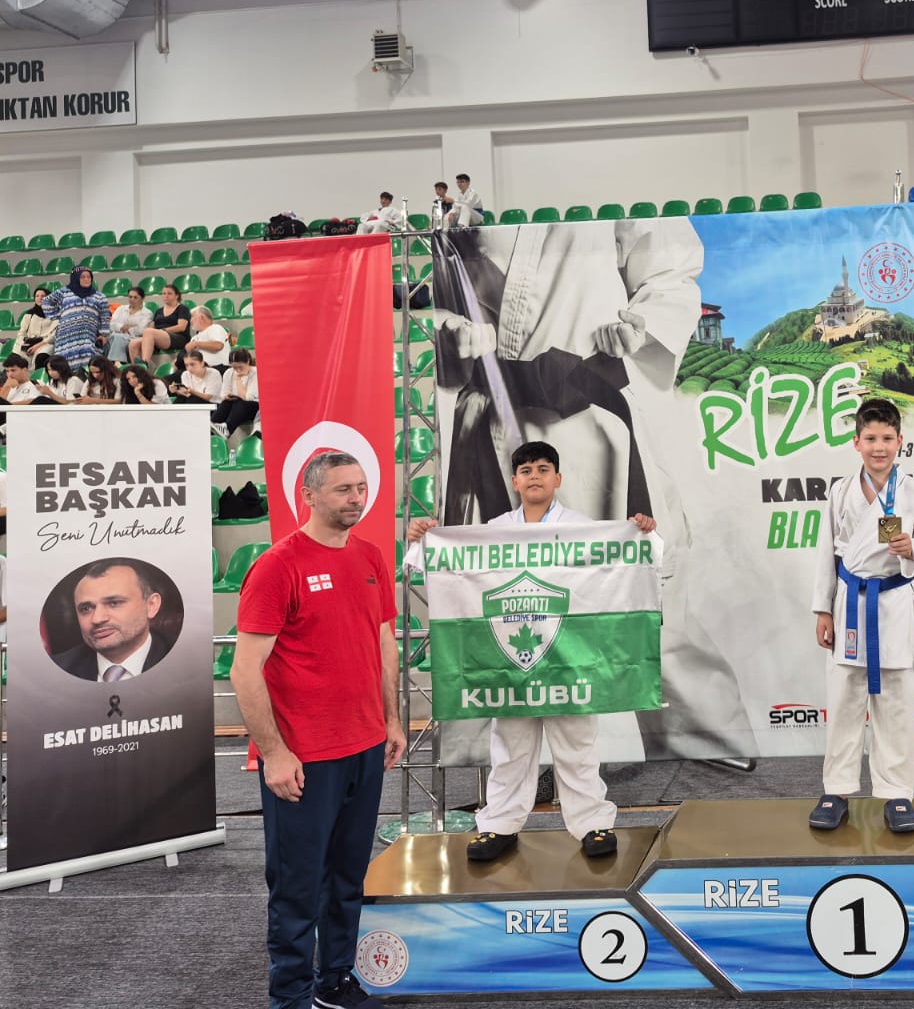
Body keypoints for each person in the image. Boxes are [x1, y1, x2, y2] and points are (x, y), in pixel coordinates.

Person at [431, 216, 754, 760]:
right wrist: (448, 330)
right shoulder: (465, 209)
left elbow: (670, 268)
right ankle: (494, 759)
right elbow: (441, 296)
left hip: (592, 415)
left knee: (649, 595)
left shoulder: (604, 195)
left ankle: (706, 746)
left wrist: (642, 323)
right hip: (493, 422)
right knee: (497, 601)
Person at [406, 441, 644, 861]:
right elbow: (448, 567)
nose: (535, 476)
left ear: (558, 478)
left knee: (577, 746)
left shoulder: (581, 528)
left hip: (567, 655)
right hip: (511, 659)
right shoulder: (495, 530)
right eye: (527, 470)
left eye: (543, 469)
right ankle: (499, 825)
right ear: (515, 481)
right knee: (510, 748)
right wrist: (427, 539)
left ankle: (592, 823)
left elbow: (618, 564)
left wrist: (639, 532)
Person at [233, 452, 404, 1009]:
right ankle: (290, 997)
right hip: (304, 757)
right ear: (308, 495)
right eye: (342, 489)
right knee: (297, 886)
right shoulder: (277, 566)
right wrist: (275, 752)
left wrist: (391, 719)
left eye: (361, 487)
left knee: (347, 877)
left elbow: (382, 643)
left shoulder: (371, 556)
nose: (356, 498)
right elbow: (245, 671)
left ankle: (334, 981)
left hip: (365, 746)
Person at [809, 397, 914, 833]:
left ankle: (897, 793)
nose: (879, 447)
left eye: (887, 438)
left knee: (897, 703)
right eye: (870, 438)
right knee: (844, 700)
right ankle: (836, 790)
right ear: (856, 442)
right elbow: (826, 552)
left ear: (900, 441)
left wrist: (913, 549)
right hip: (850, 602)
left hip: (893, 603)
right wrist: (822, 608)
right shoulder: (840, 491)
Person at [51, 559, 171, 681]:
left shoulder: (180, 660)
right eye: (86, 609)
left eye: (114, 603)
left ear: (151, 605)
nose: (97, 619)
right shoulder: (55, 671)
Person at [42, 265, 110, 370]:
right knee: (64, 368)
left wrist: (104, 335)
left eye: (89, 277)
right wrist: (59, 315)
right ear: (75, 278)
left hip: (87, 338)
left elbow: (104, 317)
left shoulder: (100, 297)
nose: (86, 279)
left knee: (87, 366)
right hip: (65, 338)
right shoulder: (64, 292)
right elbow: (46, 301)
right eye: (83, 277)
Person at [131, 284, 190, 365]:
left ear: (177, 296)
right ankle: (137, 368)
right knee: (133, 343)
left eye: (169, 293)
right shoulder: (159, 311)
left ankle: (145, 362)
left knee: (149, 332)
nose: (166, 296)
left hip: (178, 337)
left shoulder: (182, 309)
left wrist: (163, 330)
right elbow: (152, 326)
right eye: (164, 293)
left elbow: (181, 327)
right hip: (158, 336)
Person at [213, 347, 260, 436]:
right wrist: (227, 396)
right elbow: (223, 396)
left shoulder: (256, 373)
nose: (238, 370)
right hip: (235, 405)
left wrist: (238, 379)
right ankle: (211, 429)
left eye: (240, 367)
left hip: (253, 407)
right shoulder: (228, 373)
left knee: (240, 402)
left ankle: (227, 429)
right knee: (227, 402)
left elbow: (247, 398)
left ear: (248, 362)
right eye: (234, 367)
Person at [107, 286, 152, 362]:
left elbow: (141, 330)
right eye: (130, 297)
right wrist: (123, 327)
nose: (132, 299)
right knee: (112, 337)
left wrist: (123, 328)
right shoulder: (121, 309)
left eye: (135, 297)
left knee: (117, 337)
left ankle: (116, 362)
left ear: (142, 298)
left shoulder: (147, 313)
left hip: (133, 338)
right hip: (115, 336)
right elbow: (112, 324)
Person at [17, 285, 57, 368]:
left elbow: (54, 335)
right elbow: (21, 333)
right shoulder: (29, 314)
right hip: (28, 343)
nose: (39, 298)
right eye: (37, 296)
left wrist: (37, 346)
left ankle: (39, 376)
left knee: (41, 358)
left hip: (46, 343)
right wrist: (23, 344)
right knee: (14, 359)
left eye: (43, 296)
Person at [186, 306, 231, 372]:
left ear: (202, 318)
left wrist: (196, 344)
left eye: (192, 317)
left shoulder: (215, 328)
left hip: (218, 368)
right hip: (200, 369)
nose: (190, 320)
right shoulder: (194, 337)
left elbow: (218, 346)